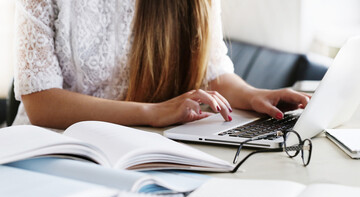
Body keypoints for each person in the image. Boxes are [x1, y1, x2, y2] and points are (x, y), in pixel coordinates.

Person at [13, 0, 309, 129]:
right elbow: (41, 104)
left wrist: (251, 95)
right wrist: (151, 113)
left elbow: (210, 71)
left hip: (142, 150)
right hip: (50, 147)